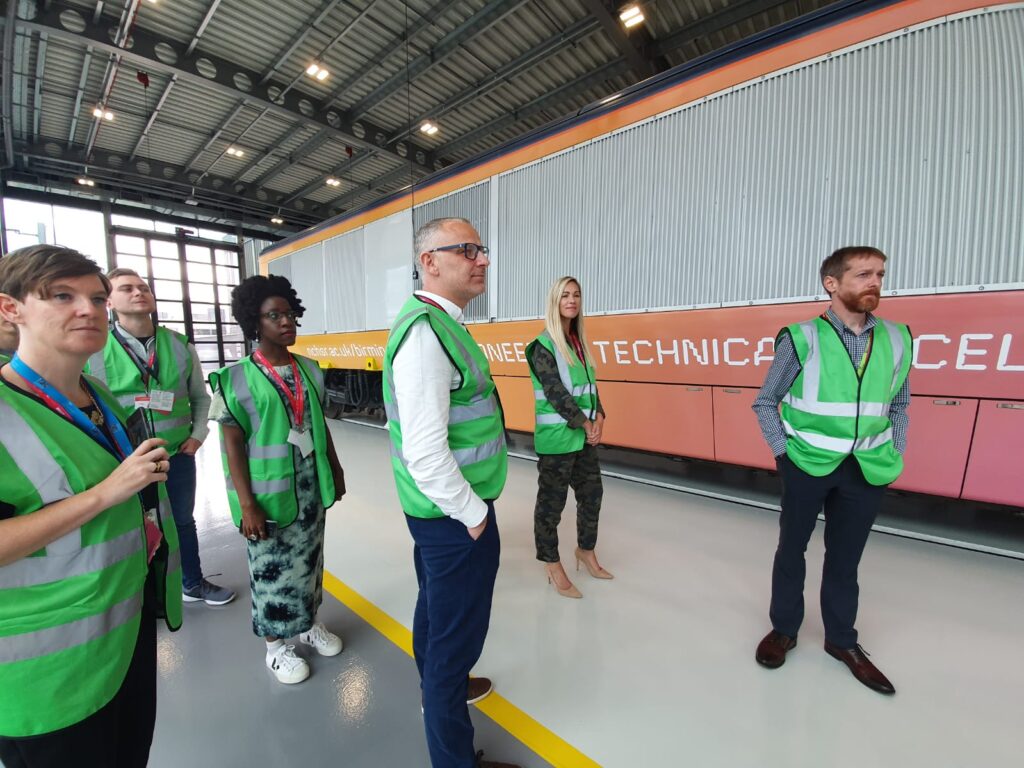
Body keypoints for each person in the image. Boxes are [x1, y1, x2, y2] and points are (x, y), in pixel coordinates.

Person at [0, 245, 181, 767]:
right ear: (11, 309)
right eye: (62, 295)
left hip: (120, 634)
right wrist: (106, 493)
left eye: (97, 297)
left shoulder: (97, 394)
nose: (90, 309)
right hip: (47, 676)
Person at [383, 217, 518, 768]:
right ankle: (453, 752)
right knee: (452, 641)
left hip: (445, 516)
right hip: (454, 518)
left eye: (481, 249)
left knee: (437, 615)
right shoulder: (425, 334)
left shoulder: (443, 324)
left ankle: (444, 687)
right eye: (467, 250)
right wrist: (473, 516)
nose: (481, 259)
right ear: (430, 262)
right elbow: (425, 451)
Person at [751, 246, 911, 695]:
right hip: (807, 464)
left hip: (867, 468)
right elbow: (766, 401)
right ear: (832, 283)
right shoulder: (801, 337)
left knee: (846, 560)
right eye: (863, 274)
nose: (874, 282)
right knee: (792, 549)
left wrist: (895, 450)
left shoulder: (898, 338)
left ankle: (842, 642)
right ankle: (784, 628)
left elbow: (899, 403)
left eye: (879, 274)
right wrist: (784, 455)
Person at [208, 274, 345, 685]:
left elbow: (319, 424)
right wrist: (247, 504)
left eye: (289, 314)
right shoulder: (234, 377)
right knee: (270, 569)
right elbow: (231, 444)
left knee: (309, 561)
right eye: (274, 316)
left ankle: (306, 623)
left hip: (308, 484)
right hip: (266, 493)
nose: (286, 322)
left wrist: (334, 469)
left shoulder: (310, 369)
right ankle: (274, 648)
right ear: (255, 322)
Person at [87, 268, 234, 607]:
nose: (139, 292)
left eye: (144, 287)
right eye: (127, 288)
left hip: (177, 455)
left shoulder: (179, 345)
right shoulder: (97, 348)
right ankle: (142, 592)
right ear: (110, 301)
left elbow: (200, 397)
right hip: (125, 461)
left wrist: (198, 436)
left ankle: (192, 583)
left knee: (183, 520)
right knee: (134, 524)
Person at [527, 276, 610, 599]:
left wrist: (600, 415)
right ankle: (551, 562)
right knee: (552, 505)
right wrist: (585, 424)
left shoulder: (579, 343)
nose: (572, 300)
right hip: (558, 441)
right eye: (565, 295)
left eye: (576, 295)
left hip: (583, 438)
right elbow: (555, 392)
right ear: (555, 301)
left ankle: (585, 551)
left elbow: (591, 388)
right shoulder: (543, 346)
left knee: (592, 495)